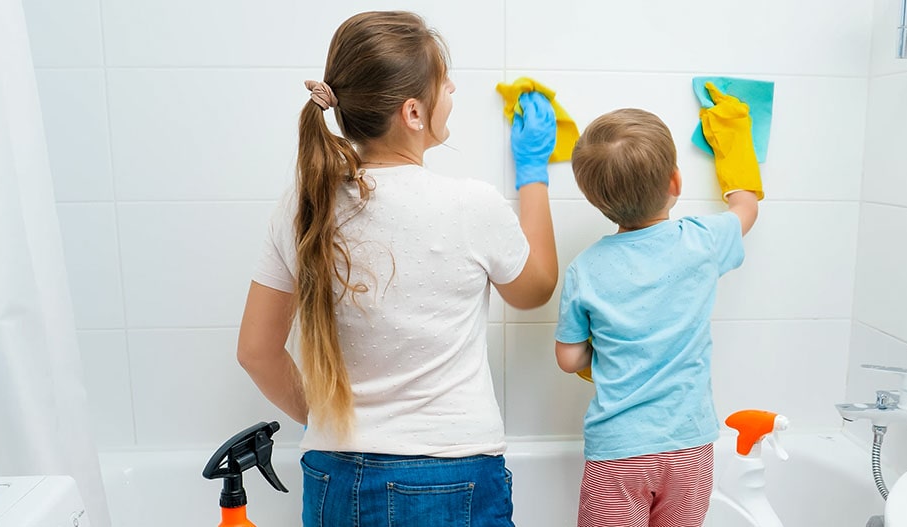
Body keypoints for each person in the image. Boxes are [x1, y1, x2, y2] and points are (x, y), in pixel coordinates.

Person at [236, 11, 558, 527]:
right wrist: (534, 175)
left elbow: (255, 351)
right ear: (413, 112)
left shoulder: (305, 202)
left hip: (331, 475)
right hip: (449, 474)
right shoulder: (471, 205)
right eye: (442, 82)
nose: (451, 88)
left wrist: (326, 420)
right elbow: (536, 288)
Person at [554, 106, 761, 527]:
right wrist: (735, 142)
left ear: (596, 200)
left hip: (618, 451)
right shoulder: (702, 241)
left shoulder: (585, 269)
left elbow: (568, 358)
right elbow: (747, 207)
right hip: (690, 445)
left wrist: (602, 354)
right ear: (675, 182)